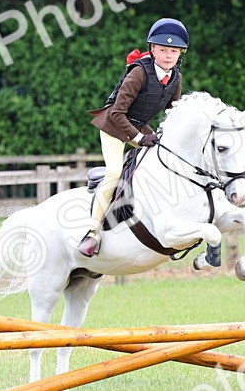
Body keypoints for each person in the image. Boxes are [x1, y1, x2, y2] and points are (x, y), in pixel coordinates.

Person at [78, 18, 188, 257]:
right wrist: (139, 138)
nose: (168, 55)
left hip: (139, 126)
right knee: (115, 173)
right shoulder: (139, 73)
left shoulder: (175, 77)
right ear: (152, 50)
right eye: (163, 50)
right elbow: (117, 113)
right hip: (114, 127)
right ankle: (91, 232)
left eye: (173, 51)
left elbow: (174, 113)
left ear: (180, 54)